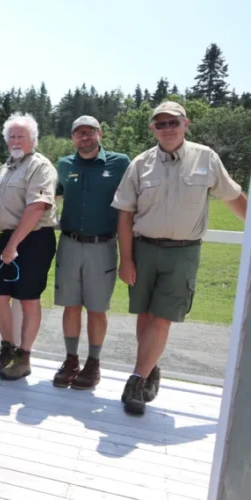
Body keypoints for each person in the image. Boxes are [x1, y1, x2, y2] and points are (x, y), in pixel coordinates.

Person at [112, 101, 247, 415]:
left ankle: (134, 382)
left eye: (173, 122)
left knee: (162, 317)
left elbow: (233, 196)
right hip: (144, 249)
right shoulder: (140, 163)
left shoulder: (206, 158)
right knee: (144, 316)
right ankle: (149, 370)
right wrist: (126, 259)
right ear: (153, 129)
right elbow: (124, 215)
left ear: (185, 124)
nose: (168, 128)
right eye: (161, 124)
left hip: (183, 252)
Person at [52, 116, 130, 390]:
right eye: (78, 134)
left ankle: (93, 363)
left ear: (100, 133)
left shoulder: (120, 163)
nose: (84, 138)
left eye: (89, 132)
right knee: (70, 305)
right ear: (72, 138)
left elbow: (135, 199)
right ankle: (71, 359)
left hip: (103, 245)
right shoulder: (64, 165)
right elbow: (49, 195)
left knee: (97, 308)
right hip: (70, 243)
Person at [0, 112, 58, 381]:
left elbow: (37, 207)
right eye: (11, 136)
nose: (15, 140)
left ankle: (24, 357)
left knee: (28, 298)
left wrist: (13, 244)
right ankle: (7, 348)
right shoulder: (7, 166)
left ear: (33, 139)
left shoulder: (41, 166)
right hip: (8, 238)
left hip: (33, 239)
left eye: (21, 136)